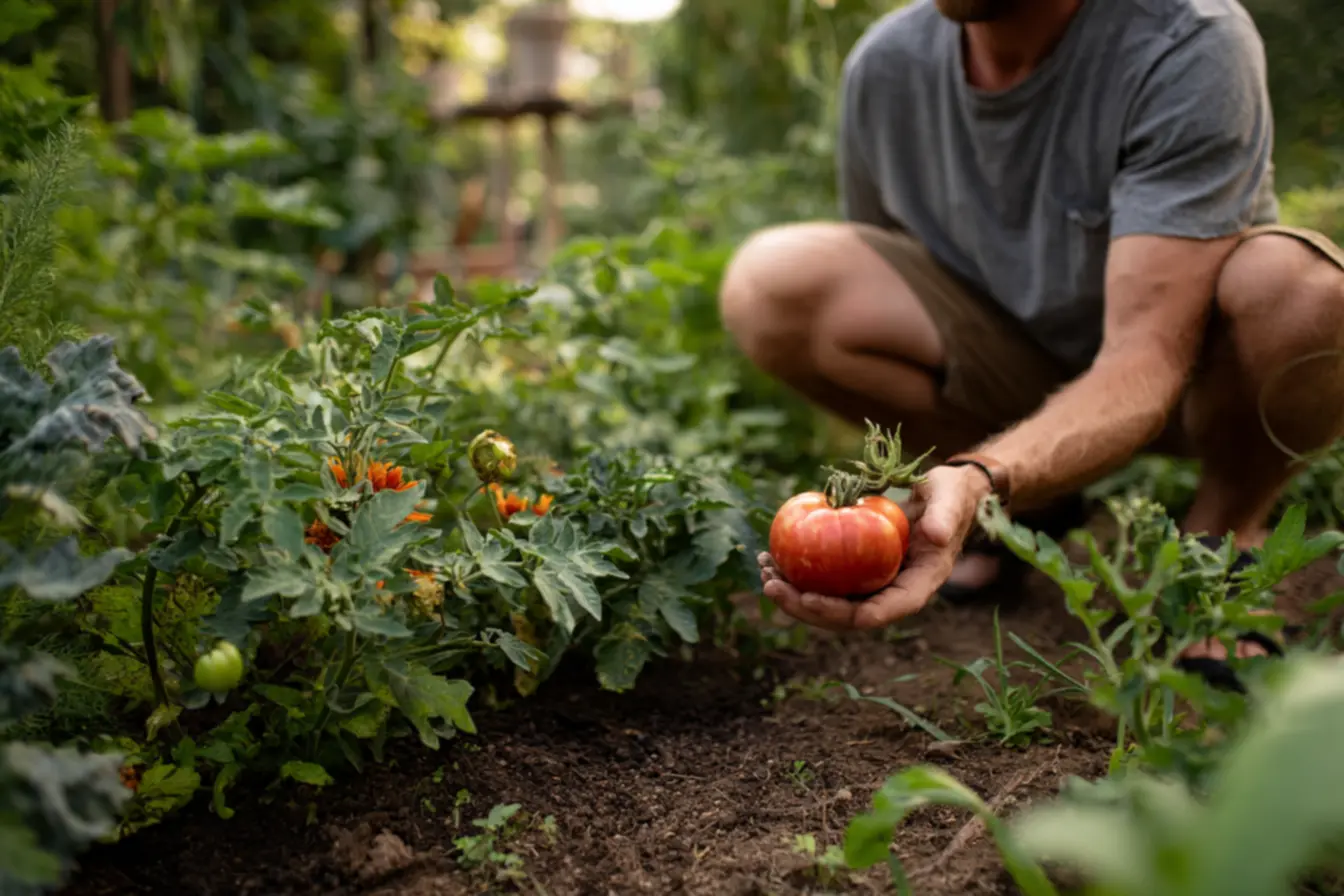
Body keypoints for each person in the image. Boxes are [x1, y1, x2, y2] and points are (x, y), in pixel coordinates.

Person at [719, 0, 1344, 670]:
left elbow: (1145, 356)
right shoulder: (889, 65)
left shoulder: (1185, 41)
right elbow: (897, 270)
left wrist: (985, 476)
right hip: (1015, 368)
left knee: (1307, 295)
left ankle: (1221, 537)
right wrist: (975, 471)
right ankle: (1018, 504)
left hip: (1194, 375)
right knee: (774, 282)